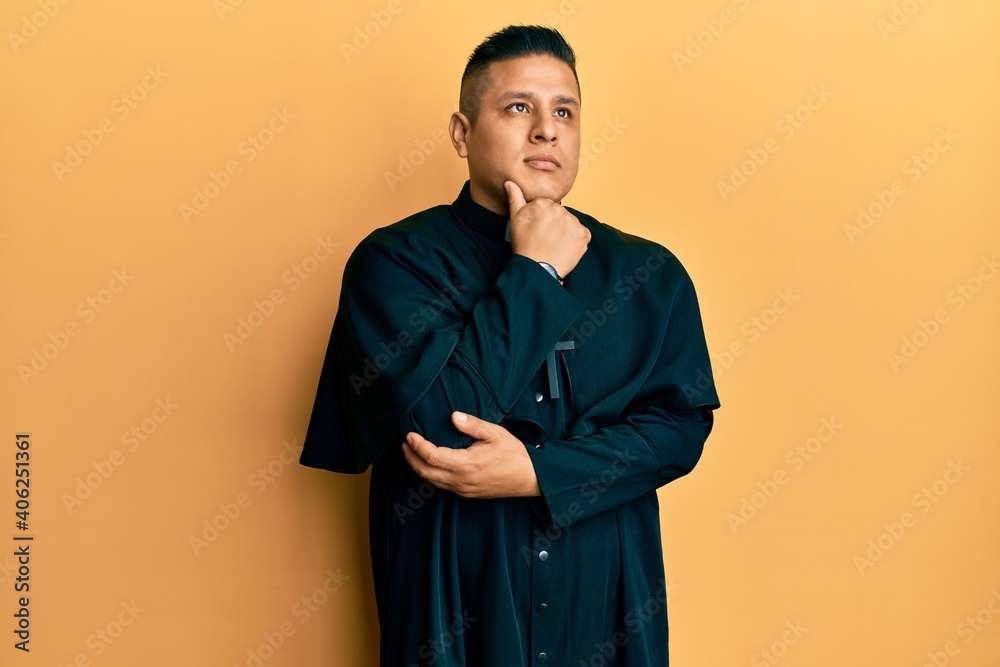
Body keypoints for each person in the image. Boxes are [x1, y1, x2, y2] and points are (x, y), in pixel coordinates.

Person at [301, 24, 720, 667]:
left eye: (565, 112)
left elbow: (679, 429)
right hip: (453, 606)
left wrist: (538, 473)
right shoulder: (393, 263)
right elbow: (435, 426)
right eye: (519, 107)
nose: (547, 130)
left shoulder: (650, 275)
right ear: (462, 133)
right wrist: (537, 273)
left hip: (605, 604)